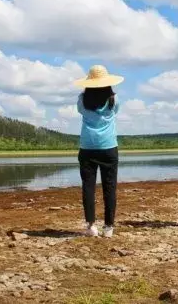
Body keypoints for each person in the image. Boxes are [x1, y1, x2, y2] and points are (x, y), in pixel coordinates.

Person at [73, 64, 124, 238]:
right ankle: (108, 227)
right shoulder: (113, 99)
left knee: (88, 187)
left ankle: (91, 226)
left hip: (87, 147)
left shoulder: (82, 99)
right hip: (109, 146)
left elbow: (80, 110)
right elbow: (115, 112)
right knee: (110, 187)